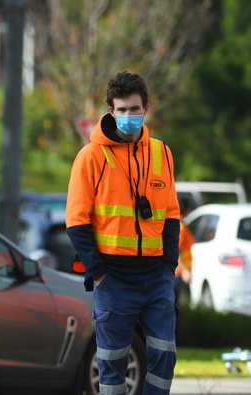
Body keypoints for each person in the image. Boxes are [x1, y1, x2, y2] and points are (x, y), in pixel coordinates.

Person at [66, 71, 180, 395]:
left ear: (146, 109)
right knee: (113, 364)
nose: (129, 116)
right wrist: (100, 274)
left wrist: (168, 267)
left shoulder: (162, 153)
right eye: (122, 109)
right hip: (113, 279)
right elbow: (76, 221)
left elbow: (171, 216)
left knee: (164, 356)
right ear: (111, 111)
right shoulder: (90, 157)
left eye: (135, 108)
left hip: (157, 276)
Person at [174, 197, 194, 305]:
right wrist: (186, 271)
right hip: (180, 273)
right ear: (187, 210)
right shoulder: (181, 228)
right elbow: (177, 252)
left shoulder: (180, 226)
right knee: (178, 306)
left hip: (180, 273)